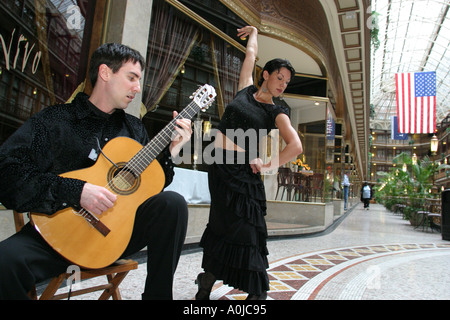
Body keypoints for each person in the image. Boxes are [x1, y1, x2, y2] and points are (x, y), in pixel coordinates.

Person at [0, 43, 192, 300]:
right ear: (105, 73)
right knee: (3, 262)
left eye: (139, 80)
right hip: (58, 232)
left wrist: (172, 152)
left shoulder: (134, 129)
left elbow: (152, 184)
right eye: (131, 78)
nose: (137, 88)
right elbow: (8, 171)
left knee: (172, 204)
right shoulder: (55, 120)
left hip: (113, 235)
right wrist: (75, 190)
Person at [195, 26, 303, 300]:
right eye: (279, 77)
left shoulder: (276, 111)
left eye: (286, 82)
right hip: (219, 168)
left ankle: (256, 293)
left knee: (246, 231)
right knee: (220, 225)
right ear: (265, 75)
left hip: (244, 174)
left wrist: (268, 165)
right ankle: (206, 283)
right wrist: (254, 32)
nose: (282, 84)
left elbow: (296, 145)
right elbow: (251, 54)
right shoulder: (245, 90)